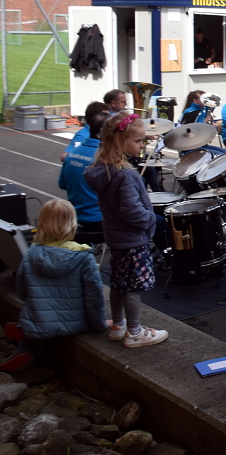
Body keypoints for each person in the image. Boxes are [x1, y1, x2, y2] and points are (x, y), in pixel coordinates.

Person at [84, 113, 169, 348]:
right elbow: (132, 211)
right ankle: (134, 331)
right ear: (121, 142)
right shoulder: (126, 174)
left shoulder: (103, 170)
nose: (142, 145)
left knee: (118, 284)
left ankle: (118, 324)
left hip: (115, 238)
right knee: (133, 287)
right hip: (132, 240)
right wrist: (151, 219)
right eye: (139, 141)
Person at [16, 199, 107, 340]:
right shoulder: (83, 256)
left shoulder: (32, 253)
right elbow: (94, 297)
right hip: (76, 325)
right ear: (72, 223)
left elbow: (22, 290)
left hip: (38, 324)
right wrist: (99, 325)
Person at [60, 109, 110, 234]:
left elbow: (62, 184)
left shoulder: (71, 155)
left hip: (75, 217)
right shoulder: (105, 159)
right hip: (101, 219)